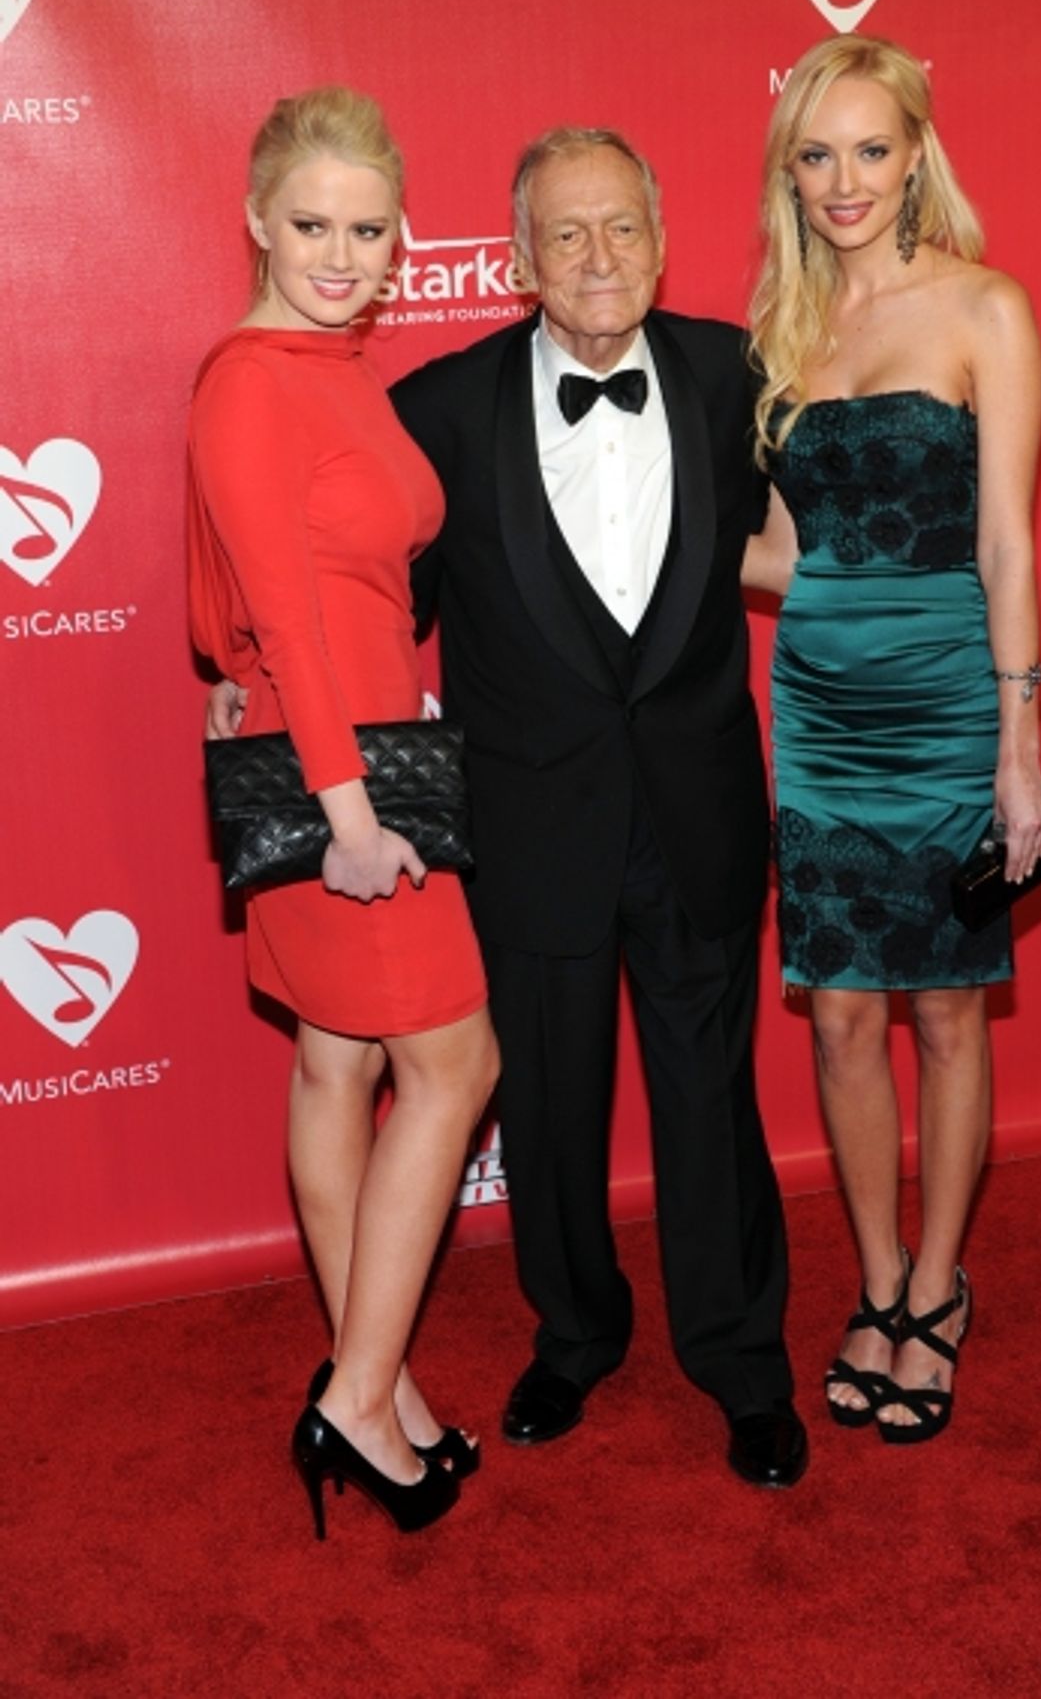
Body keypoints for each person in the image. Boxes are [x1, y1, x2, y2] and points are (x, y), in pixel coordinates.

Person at [392, 128, 804, 1486]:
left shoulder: (733, 370)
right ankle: (573, 1335)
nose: (597, 257)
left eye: (621, 227)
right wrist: (248, 676)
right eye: (565, 234)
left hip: (695, 811)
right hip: (529, 822)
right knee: (552, 1110)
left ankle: (742, 1359)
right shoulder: (437, 410)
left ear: (662, 235)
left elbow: (819, 549)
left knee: (710, 1100)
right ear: (518, 257)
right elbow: (365, 603)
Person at [188, 86, 498, 1539]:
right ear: (255, 217)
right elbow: (284, 614)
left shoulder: (330, 366)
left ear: (400, 239)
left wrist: (226, 677)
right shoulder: (255, 377)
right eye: (312, 223)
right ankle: (361, 1398)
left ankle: (375, 1376)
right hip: (346, 777)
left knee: (337, 1066)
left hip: (352, 747)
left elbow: (232, 604)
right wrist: (344, 808)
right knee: (455, 1059)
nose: (341, 251)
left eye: (368, 228)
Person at [743, 36, 1041, 1442]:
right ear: (789, 174)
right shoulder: (780, 335)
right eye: (817, 155)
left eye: (871, 149)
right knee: (844, 1010)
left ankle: (938, 1287)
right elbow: (786, 552)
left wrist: (1020, 741)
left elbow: (1004, 542)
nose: (844, 180)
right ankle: (874, 1277)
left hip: (948, 711)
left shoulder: (986, 309)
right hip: (815, 710)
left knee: (944, 1005)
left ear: (918, 151)